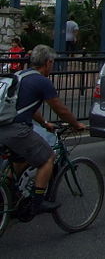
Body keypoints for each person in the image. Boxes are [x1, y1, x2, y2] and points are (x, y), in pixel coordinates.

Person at [0, 44, 86, 219]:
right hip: (16, 131)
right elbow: (60, 109)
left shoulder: (19, 75)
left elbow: (27, 108)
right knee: (48, 158)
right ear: (47, 63)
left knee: (21, 159)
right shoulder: (42, 81)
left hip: (3, 126)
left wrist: (45, 123)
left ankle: (7, 193)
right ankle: (37, 203)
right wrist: (76, 124)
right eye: (52, 63)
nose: (52, 66)